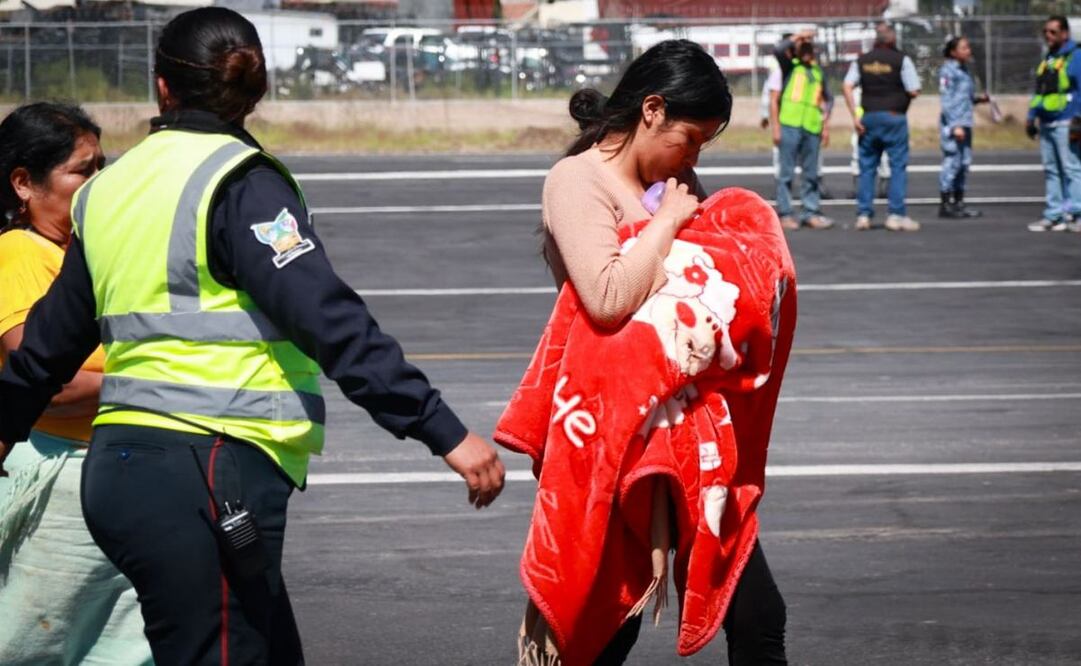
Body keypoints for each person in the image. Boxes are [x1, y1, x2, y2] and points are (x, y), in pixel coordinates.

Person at [0, 7, 505, 664]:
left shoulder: (109, 189)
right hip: (210, 468)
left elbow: (44, 350)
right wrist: (442, 430)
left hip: (121, 473)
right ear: (256, 87)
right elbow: (328, 319)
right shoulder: (240, 184)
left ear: (162, 86)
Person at [530, 39, 787, 665]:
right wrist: (669, 221)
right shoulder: (577, 180)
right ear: (651, 110)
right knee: (602, 624)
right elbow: (609, 295)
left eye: (704, 144)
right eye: (691, 137)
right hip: (614, 436)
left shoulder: (671, 179)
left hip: (688, 431)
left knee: (756, 612)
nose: (694, 156)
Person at [0, 103, 153, 665]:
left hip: (111, 469)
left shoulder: (81, 255)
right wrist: (153, 379)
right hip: (60, 476)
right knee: (39, 643)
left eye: (102, 165)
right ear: (24, 183)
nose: (98, 182)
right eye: (82, 170)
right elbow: (46, 385)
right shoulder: (19, 253)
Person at [843, 22, 922, 232]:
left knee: (867, 168)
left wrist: (854, 116)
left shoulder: (862, 60)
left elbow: (847, 85)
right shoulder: (901, 60)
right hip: (894, 117)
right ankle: (895, 215)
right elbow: (914, 90)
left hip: (868, 117)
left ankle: (863, 215)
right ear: (893, 39)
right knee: (897, 166)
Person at [769, 38, 834, 230]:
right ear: (796, 52)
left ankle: (811, 212)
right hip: (790, 125)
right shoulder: (789, 67)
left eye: (809, 49)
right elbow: (779, 49)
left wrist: (825, 125)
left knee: (811, 174)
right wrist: (776, 128)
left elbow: (829, 99)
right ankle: (786, 213)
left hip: (812, 127)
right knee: (786, 173)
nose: (806, 53)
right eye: (802, 49)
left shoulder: (817, 72)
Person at [1026, 15, 1081, 232]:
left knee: (1072, 169)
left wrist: (1078, 119)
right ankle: (1054, 214)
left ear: (1064, 34)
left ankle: (1077, 214)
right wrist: (1031, 117)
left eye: (1053, 32)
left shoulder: (1075, 57)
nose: (1048, 36)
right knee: (1051, 170)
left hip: (1066, 121)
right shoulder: (1048, 58)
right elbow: (1040, 91)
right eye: (1046, 32)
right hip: (1047, 122)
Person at [938, 36, 990, 219]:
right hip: (954, 125)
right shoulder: (948, 72)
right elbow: (946, 101)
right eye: (964, 48)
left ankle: (959, 202)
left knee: (964, 163)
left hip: (965, 122)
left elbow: (963, 99)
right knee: (952, 162)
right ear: (953, 52)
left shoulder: (965, 71)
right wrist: (955, 126)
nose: (968, 51)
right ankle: (945, 203)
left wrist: (978, 99)